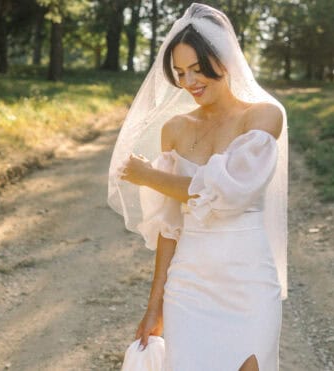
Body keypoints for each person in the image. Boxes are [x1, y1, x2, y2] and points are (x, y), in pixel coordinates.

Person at [108, 3, 288, 370]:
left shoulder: (264, 117)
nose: (189, 82)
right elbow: (169, 226)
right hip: (189, 284)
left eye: (196, 69)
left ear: (223, 60)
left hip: (248, 280)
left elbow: (228, 195)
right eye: (179, 73)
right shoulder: (174, 128)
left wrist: (149, 176)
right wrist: (154, 305)